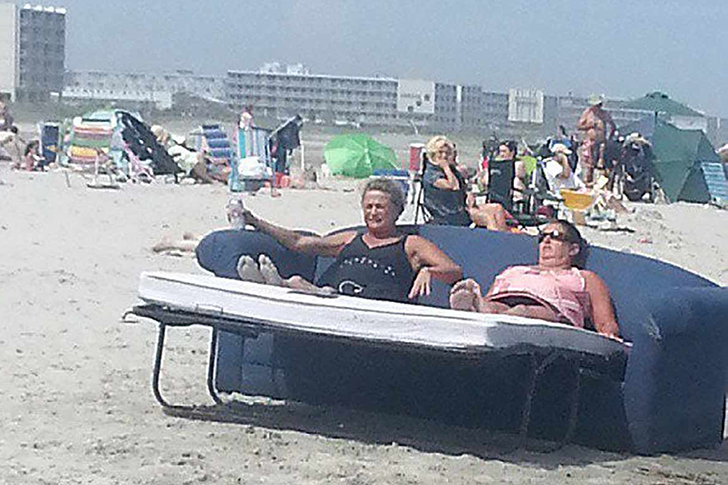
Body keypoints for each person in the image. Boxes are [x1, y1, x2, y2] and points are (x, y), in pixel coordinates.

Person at [238, 178, 463, 303]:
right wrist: (254, 221)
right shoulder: (350, 238)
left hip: (375, 308)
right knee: (299, 282)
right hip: (331, 298)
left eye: (380, 207)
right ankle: (274, 285)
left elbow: (454, 271)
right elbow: (299, 242)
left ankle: (278, 286)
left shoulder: (411, 243)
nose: (373, 213)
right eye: (368, 207)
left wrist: (428, 271)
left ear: (397, 211)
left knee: (297, 283)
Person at [449, 220, 620, 339]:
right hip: (505, 301)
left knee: (522, 311)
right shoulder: (514, 270)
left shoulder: (584, 277)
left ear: (573, 249)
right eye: (542, 237)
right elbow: (492, 296)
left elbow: (605, 323)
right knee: (493, 307)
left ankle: (496, 319)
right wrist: (485, 304)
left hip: (553, 313)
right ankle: (477, 307)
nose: (546, 241)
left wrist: (609, 335)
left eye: (555, 236)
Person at [422, 135, 510, 231]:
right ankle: (494, 238)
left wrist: (468, 194)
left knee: (497, 208)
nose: (444, 156)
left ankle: (504, 236)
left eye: (447, 153)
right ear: (433, 153)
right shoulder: (431, 174)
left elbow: (461, 188)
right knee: (487, 217)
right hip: (448, 213)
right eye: (440, 152)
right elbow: (453, 186)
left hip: (462, 207)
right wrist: (445, 167)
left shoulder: (451, 170)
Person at [577, 95, 616, 184]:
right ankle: (588, 182)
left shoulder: (604, 114)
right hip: (590, 141)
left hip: (602, 142)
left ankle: (604, 184)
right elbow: (579, 126)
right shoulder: (587, 113)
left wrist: (610, 138)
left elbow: (612, 126)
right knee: (589, 165)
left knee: (604, 164)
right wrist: (590, 125)